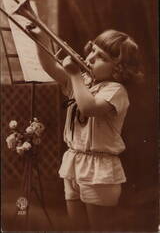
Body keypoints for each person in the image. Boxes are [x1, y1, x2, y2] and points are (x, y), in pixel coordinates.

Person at [32, 28, 143, 230]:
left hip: (99, 170)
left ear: (119, 69)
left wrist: (74, 74)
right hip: (74, 161)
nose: (90, 57)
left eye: (101, 57)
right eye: (92, 50)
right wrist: (40, 39)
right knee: (77, 228)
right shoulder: (84, 81)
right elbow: (49, 67)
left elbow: (89, 108)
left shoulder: (116, 91)